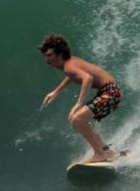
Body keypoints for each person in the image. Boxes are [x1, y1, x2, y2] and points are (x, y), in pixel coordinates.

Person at [38, 33, 122, 163]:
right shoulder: (70, 62)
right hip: (110, 92)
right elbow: (73, 75)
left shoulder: (69, 66)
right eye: (45, 55)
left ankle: (99, 153)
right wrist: (56, 92)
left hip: (110, 93)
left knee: (77, 119)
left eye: (49, 55)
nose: (46, 59)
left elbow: (87, 78)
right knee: (77, 119)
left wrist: (79, 103)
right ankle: (105, 150)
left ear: (59, 54)